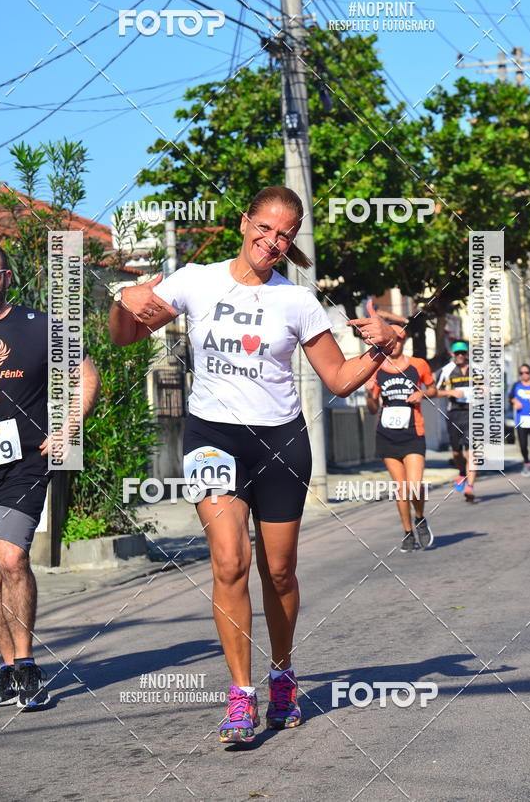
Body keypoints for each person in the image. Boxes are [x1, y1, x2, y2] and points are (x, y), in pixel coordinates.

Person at [109, 185, 400, 744]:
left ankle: (283, 673)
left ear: (291, 243)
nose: (271, 241)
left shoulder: (297, 301)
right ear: (245, 223)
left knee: (281, 570)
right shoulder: (195, 279)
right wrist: (122, 303)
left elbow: (338, 379)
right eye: (264, 228)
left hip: (282, 442)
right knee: (228, 562)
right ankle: (240, 696)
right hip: (212, 437)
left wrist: (384, 348)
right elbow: (125, 337)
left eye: (284, 235)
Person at [0, 240, 100, 710]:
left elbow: (86, 374)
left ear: (6, 278)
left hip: (25, 461)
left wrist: (67, 428)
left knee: (11, 559)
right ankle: (8, 668)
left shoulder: (40, 326)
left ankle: (27, 665)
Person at [366, 333, 437, 552]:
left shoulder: (418, 364)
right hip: (387, 434)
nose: (393, 345)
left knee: (414, 486)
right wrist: (369, 394)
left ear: (403, 342)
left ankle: (420, 518)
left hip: (413, 431)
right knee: (401, 488)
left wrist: (422, 394)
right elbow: (372, 409)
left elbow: (433, 388)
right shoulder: (376, 370)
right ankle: (407, 533)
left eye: (396, 340)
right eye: (389, 341)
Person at [436, 340, 477, 502]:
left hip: (473, 413)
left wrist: (485, 390)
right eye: (457, 353)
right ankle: (462, 472)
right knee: (456, 453)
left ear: (467, 354)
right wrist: (450, 393)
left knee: (471, 453)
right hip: (454, 414)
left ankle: (470, 487)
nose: (460, 356)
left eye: (463, 353)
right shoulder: (446, 371)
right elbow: (434, 391)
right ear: (453, 354)